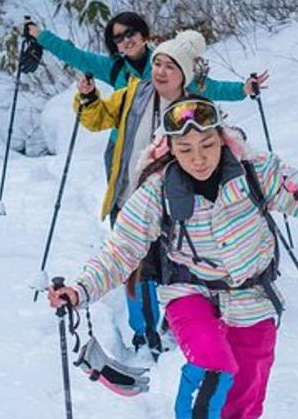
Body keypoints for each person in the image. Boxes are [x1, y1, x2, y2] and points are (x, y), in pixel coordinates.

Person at [47, 96, 298, 419]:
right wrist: (79, 290)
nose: (197, 158)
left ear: (221, 138)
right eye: (185, 150)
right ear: (170, 148)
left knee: (245, 396)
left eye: (206, 145)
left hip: (252, 294)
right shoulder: (159, 190)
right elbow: (121, 251)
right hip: (190, 291)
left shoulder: (255, 172)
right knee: (210, 359)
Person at [72, 28, 218, 356]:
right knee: (136, 270)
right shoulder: (133, 93)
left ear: (185, 74)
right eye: (158, 64)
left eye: (170, 66)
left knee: (176, 269)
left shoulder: (194, 108)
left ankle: (176, 325)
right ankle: (143, 332)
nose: (161, 72)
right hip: (129, 197)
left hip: (177, 208)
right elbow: (97, 119)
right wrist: (87, 98)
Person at [25, 12, 268, 99]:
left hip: (162, 144)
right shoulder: (113, 68)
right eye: (118, 38)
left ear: (143, 34)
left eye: (130, 33)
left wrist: (243, 90)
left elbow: (207, 87)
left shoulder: (166, 61)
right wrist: (40, 35)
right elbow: (74, 55)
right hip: (121, 146)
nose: (126, 40)